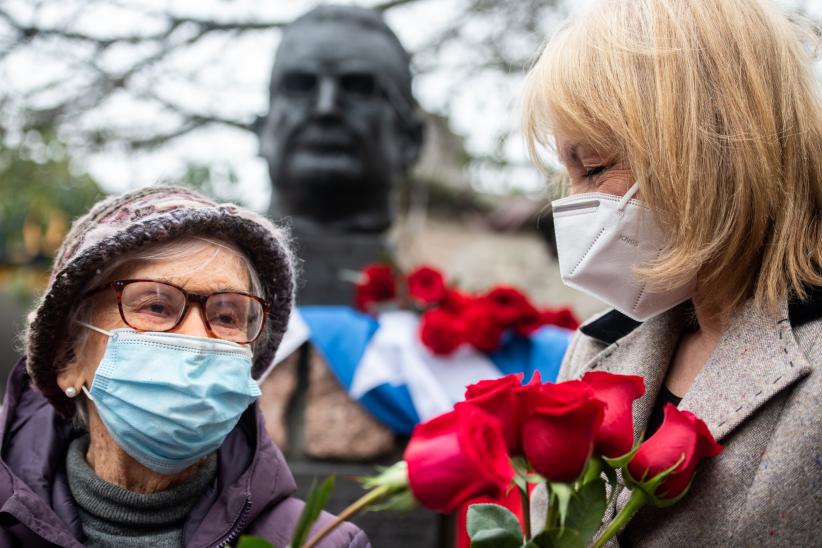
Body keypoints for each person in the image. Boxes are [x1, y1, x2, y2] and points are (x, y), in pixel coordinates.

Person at [522, 0, 821, 545]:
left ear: (710, 148)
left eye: (592, 167)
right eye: (569, 173)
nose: (573, 205)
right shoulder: (597, 348)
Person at [0, 186, 369, 547]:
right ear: (68, 359)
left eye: (227, 315)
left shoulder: (321, 542)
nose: (200, 337)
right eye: (156, 307)